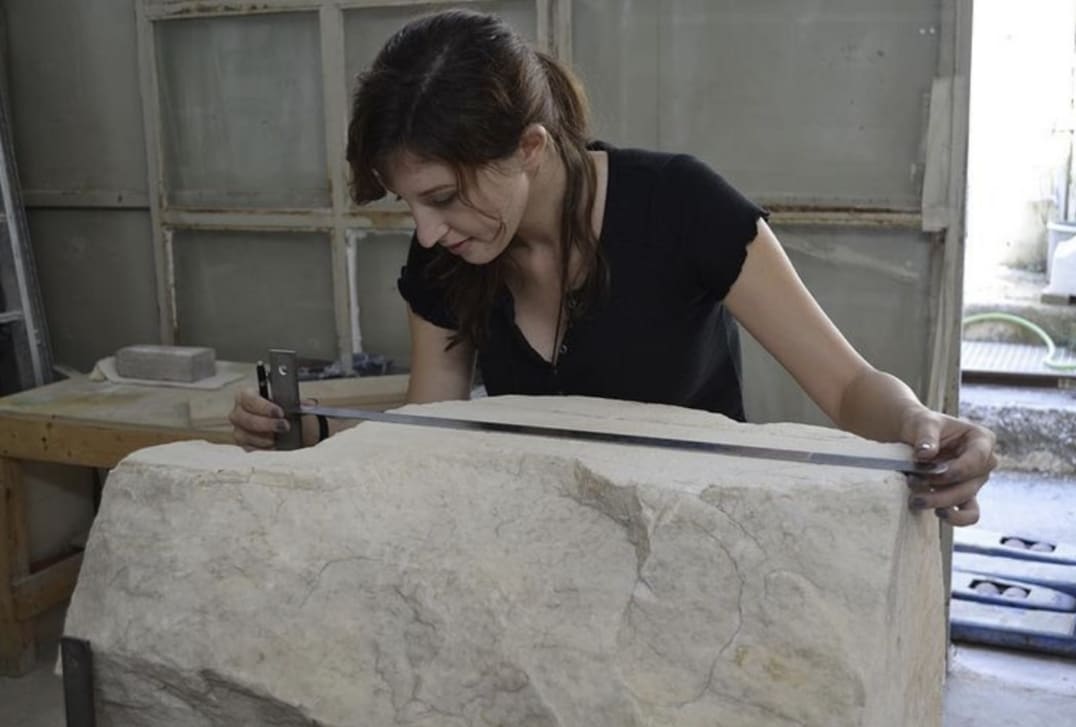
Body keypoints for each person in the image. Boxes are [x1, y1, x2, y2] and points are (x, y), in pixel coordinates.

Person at [229, 8, 996, 526]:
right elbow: (434, 429)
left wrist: (921, 428)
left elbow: (848, 384)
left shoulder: (683, 206)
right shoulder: (450, 254)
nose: (427, 232)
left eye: (443, 197)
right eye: (410, 206)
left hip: (698, 533)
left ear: (529, 149)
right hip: (540, 531)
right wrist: (311, 435)